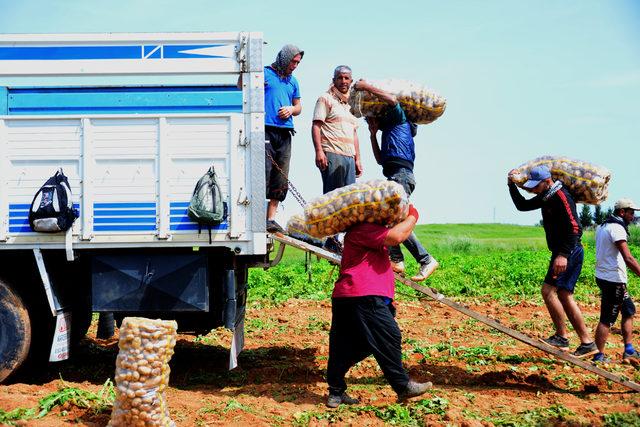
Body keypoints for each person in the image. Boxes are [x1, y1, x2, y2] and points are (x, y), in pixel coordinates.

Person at [326, 204, 432, 408]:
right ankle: (402, 386)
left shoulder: (362, 233)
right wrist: (412, 215)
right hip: (363, 296)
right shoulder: (364, 229)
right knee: (389, 335)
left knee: (349, 344)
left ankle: (335, 391)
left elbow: (371, 258)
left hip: (348, 295)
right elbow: (397, 237)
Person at [352, 79, 438, 282]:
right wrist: (373, 135)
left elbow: (390, 99)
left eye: (373, 121)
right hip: (395, 175)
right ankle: (397, 259)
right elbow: (380, 160)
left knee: (396, 220)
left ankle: (425, 259)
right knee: (389, 219)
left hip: (402, 175)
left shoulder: (399, 120)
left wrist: (366, 87)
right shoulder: (388, 133)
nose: (372, 123)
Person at [508, 165, 597, 358]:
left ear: (547, 181)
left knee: (549, 291)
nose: (533, 189)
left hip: (569, 251)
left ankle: (562, 337)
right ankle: (587, 342)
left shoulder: (561, 196)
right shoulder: (546, 196)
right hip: (565, 251)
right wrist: (511, 186)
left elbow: (575, 227)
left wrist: (563, 255)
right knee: (564, 295)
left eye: (536, 186)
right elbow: (522, 206)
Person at [312, 65, 362, 252]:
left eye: (347, 78)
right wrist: (319, 151)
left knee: (348, 200)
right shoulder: (325, 99)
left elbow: (354, 134)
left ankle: (342, 240)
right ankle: (331, 238)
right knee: (333, 197)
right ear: (333, 79)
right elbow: (316, 126)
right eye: (340, 78)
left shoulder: (351, 106)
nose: (343, 82)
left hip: (349, 155)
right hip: (332, 153)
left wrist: (358, 159)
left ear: (351, 80)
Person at [593, 198, 640, 363]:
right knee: (607, 318)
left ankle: (629, 350)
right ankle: (598, 355)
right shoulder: (617, 228)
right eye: (631, 212)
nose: (633, 216)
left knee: (628, 310)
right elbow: (628, 258)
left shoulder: (603, 226)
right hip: (614, 280)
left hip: (604, 276)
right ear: (622, 212)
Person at [264, 44, 303, 233]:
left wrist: (291, 109)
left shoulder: (293, 81)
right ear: (284, 58)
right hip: (265, 129)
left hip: (285, 132)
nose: (295, 65)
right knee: (264, 172)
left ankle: (270, 219)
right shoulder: (263, 73)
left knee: (281, 176)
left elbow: (298, 107)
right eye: (293, 61)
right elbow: (242, 87)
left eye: (298, 63)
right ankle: (256, 217)